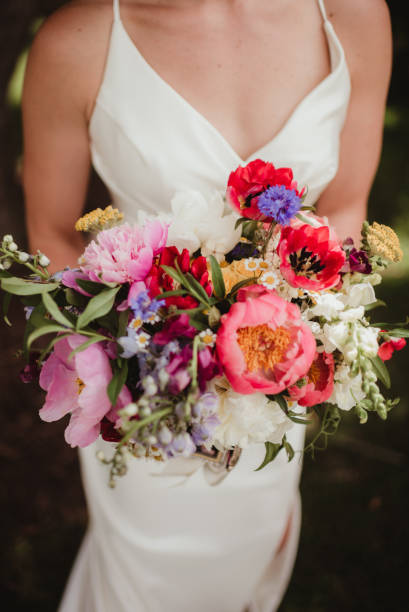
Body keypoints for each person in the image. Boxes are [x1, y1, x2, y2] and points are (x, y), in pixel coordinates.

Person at [21, 0, 392, 610]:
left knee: (246, 564)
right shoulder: (80, 41)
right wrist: (116, 367)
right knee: (146, 581)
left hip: (271, 386)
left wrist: (311, 337)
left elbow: (346, 206)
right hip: (146, 394)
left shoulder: (351, 15)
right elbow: (53, 234)